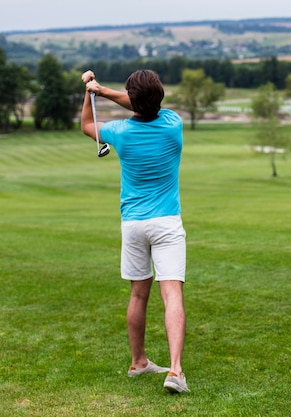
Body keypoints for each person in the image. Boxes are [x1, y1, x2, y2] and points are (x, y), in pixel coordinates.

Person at [80, 69, 190, 394]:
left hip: (133, 224)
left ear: (133, 101)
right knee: (172, 294)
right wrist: (104, 91)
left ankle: (138, 362)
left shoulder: (120, 132)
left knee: (138, 294)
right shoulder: (173, 125)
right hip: (167, 222)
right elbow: (141, 103)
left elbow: (87, 126)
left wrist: (91, 93)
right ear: (160, 97)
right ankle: (176, 371)